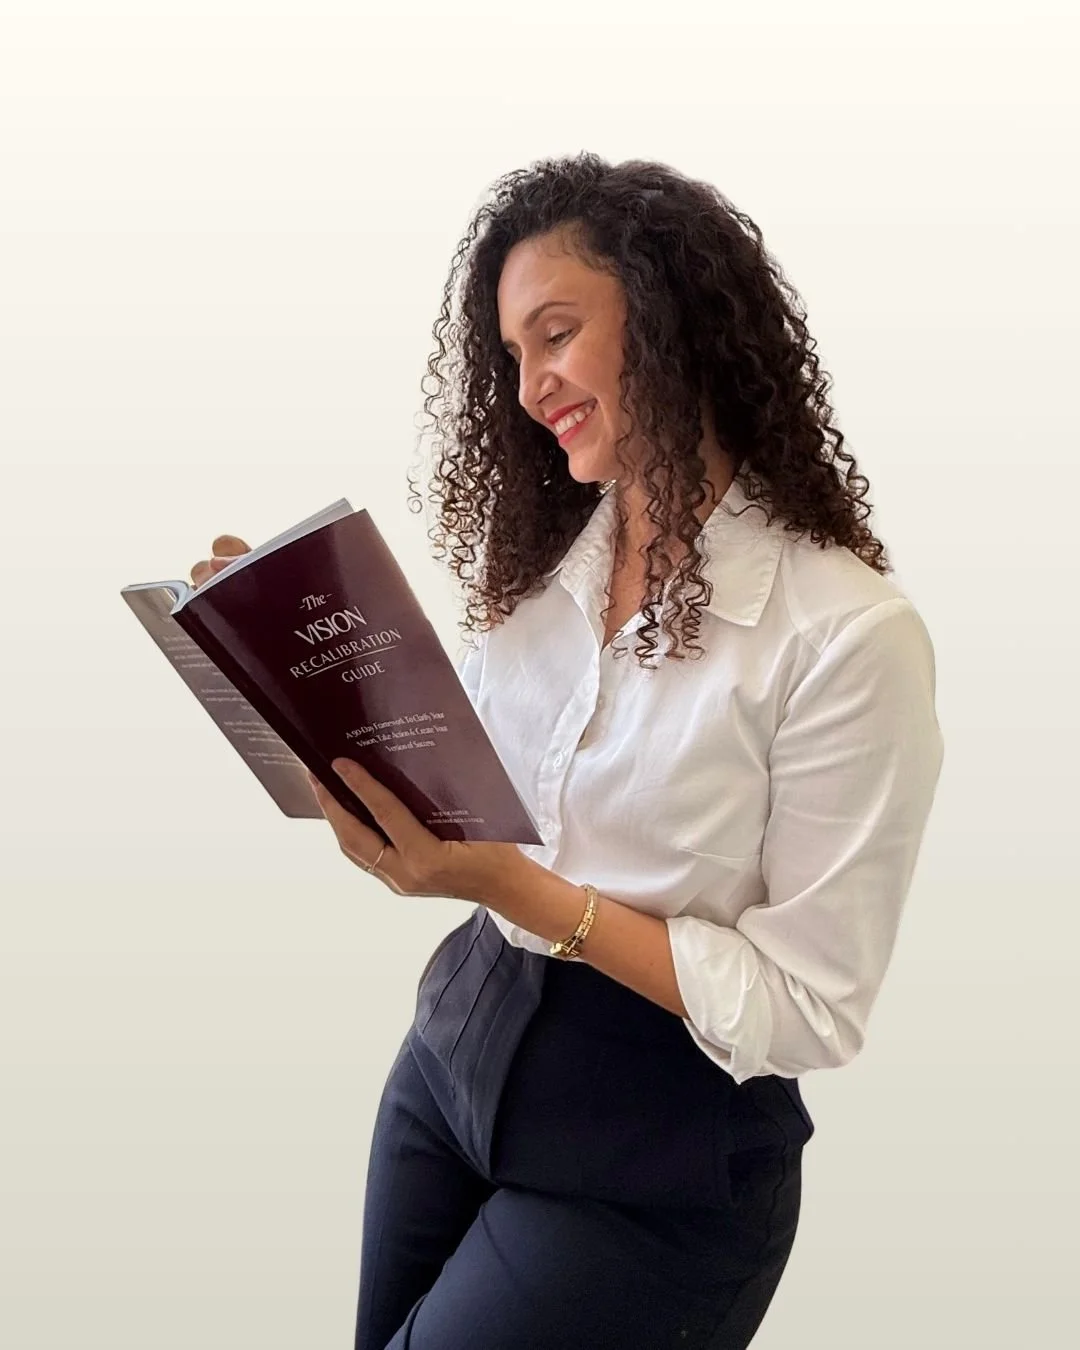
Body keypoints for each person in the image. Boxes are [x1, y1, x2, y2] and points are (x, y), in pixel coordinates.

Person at [191, 153, 944, 1349]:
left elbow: (811, 1009)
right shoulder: (547, 572)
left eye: (557, 334)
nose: (531, 385)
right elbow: (481, 783)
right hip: (454, 1064)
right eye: (511, 354)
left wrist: (518, 890)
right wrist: (293, 645)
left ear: (673, 319)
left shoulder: (846, 636)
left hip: (658, 1156)